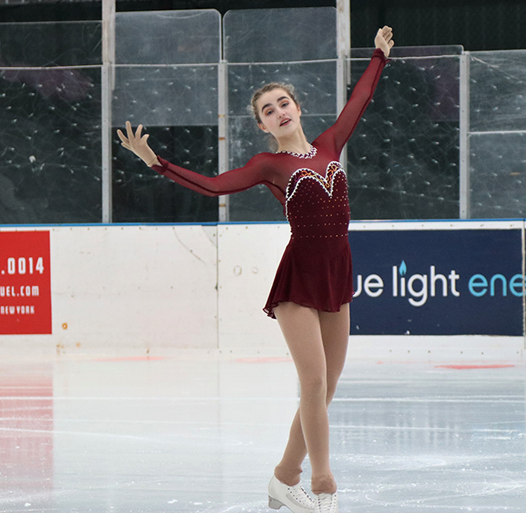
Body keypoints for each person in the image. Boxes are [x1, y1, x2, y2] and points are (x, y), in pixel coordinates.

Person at [118, 26, 395, 513]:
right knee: (312, 383)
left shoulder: (330, 144)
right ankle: (324, 485)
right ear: (263, 126)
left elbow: (360, 100)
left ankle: (283, 480)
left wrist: (378, 56)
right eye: (268, 110)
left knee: (325, 390)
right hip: (298, 282)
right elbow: (212, 186)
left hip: (337, 274)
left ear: (298, 108)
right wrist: (156, 162)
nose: (279, 111)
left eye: (283, 102)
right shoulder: (269, 164)